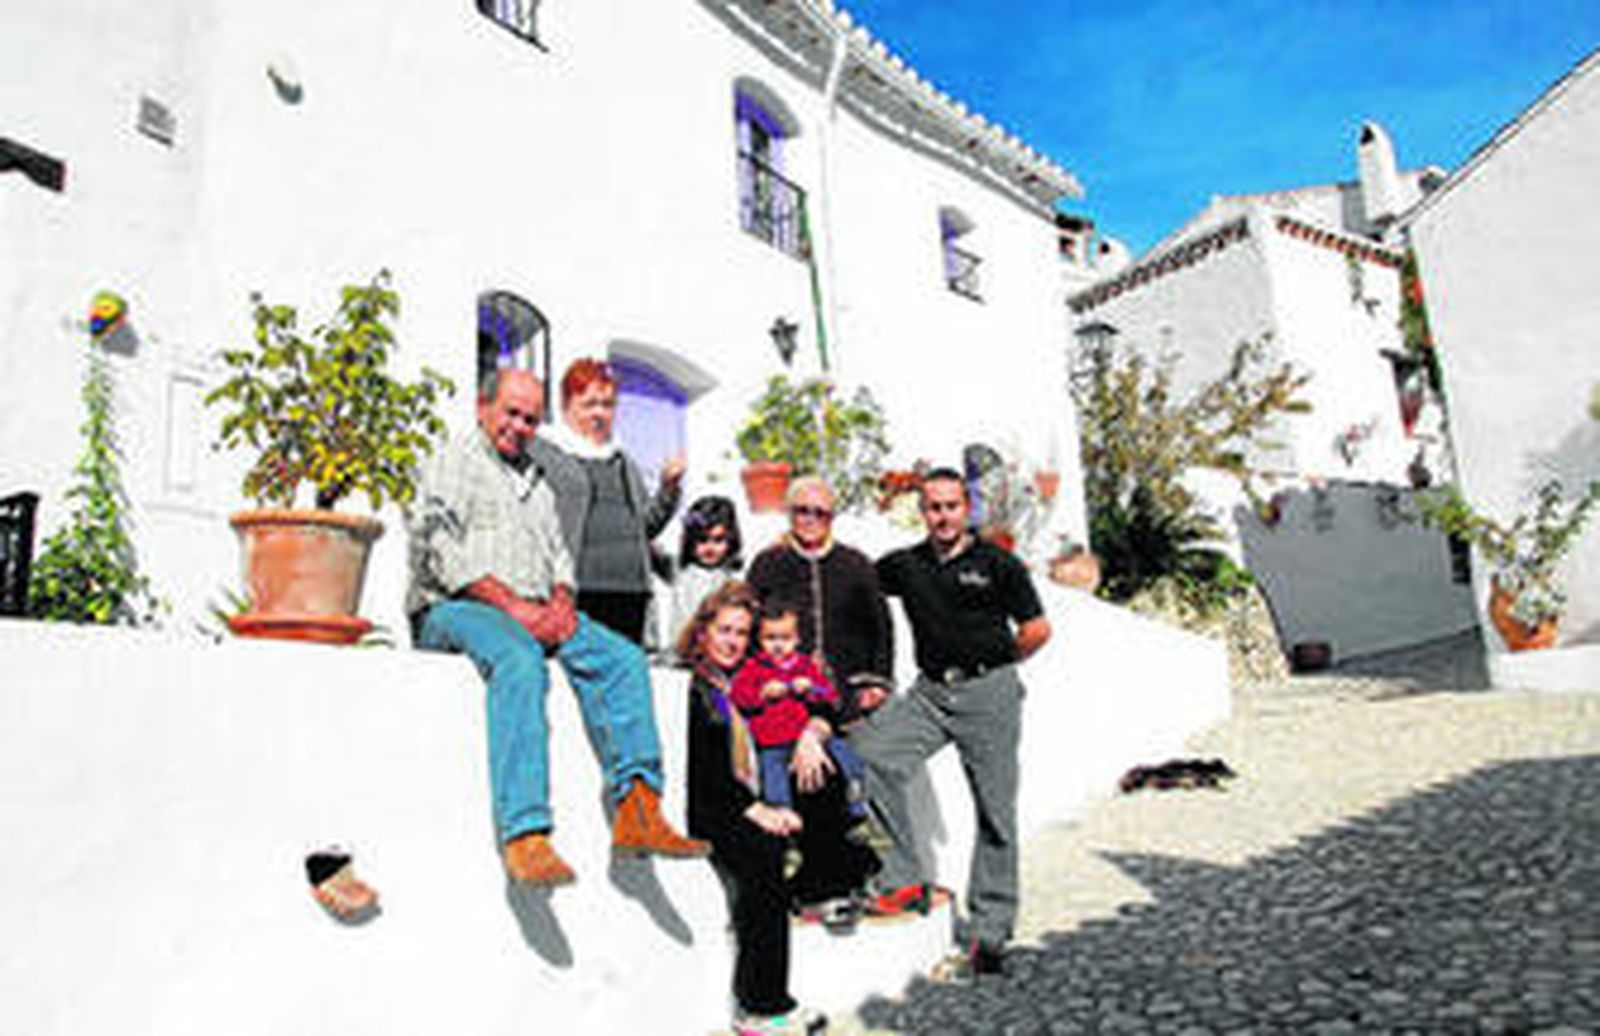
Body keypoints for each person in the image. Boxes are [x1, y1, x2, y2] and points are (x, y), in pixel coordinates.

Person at [406, 369, 708, 887]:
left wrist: (563, 603)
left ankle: (639, 807)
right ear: (483, 407)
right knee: (519, 659)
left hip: (533, 607)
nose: (520, 426)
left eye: (530, 419)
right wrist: (514, 607)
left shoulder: (536, 480)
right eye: (511, 413)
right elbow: (441, 550)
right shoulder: (454, 460)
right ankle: (526, 835)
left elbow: (560, 556)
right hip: (456, 606)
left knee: (624, 658)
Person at [855, 467, 1052, 978]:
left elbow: (1037, 629)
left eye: (951, 506)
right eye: (933, 507)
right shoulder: (906, 565)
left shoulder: (998, 564)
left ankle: (990, 932)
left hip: (989, 694)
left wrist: (997, 663)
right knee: (872, 757)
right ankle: (900, 878)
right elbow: (856, 582)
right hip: (929, 695)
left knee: (994, 810)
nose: (942, 516)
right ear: (922, 512)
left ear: (967, 509)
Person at [679, 582, 828, 1036]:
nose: (733, 641)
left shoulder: (742, 682)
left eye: (742, 633)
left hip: (740, 798)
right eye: (724, 630)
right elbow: (702, 768)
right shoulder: (693, 685)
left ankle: (828, 890)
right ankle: (759, 1006)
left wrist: (812, 732)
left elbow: (820, 706)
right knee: (763, 859)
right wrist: (752, 809)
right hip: (710, 806)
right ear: (703, 630)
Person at [530, 358, 683, 644]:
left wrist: (669, 489)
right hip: (577, 590)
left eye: (607, 405)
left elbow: (646, 526)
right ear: (566, 406)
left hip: (629, 591)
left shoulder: (622, 461)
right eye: (589, 404)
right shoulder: (545, 454)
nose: (599, 413)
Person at [746, 477, 894, 728]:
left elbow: (880, 627)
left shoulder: (856, 564)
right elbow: (751, 624)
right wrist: (758, 682)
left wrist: (877, 682)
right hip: (784, 697)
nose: (810, 519)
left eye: (820, 513)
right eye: (802, 511)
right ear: (789, 514)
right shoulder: (767, 564)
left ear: (831, 517)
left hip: (850, 694)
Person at [730, 602, 871, 835]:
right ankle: (784, 827)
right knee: (774, 786)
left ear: (797, 639)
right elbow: (739, 697)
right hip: (772, 742)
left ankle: (858, 805)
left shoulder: (805, 665)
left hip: (804, 736)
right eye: (770, 638)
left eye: (785, 638)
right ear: (760, 640)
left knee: (847, 755)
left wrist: (810, 688)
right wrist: (762, 694)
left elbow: (829, 695)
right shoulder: (754, 667)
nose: (778, 645)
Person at [659, 494, 744, 661]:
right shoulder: (679, 570)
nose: (710, 548)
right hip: (682, 655)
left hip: (717, 656)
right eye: (702, 540)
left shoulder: (733, 578)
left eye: (718, 540)